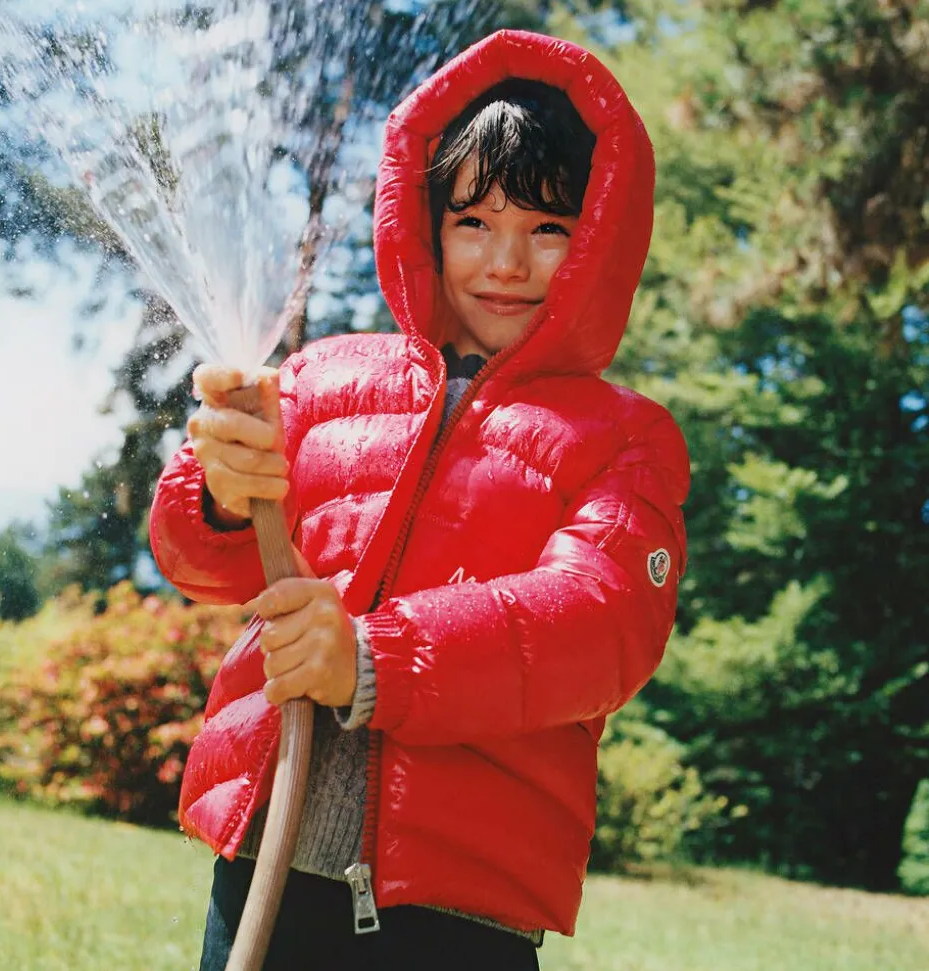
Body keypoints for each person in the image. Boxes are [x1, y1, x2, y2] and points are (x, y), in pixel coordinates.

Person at [150, 28, 689, 971]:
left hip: (458, 912)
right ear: (427, 223)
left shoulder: (626, 438)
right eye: (474, 221)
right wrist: (221, 495)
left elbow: (598, 621)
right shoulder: (322, 378)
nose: (505, 261)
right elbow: (201, 559)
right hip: (263, 862)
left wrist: (371, 658)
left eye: (548, 229)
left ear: (602, 239)